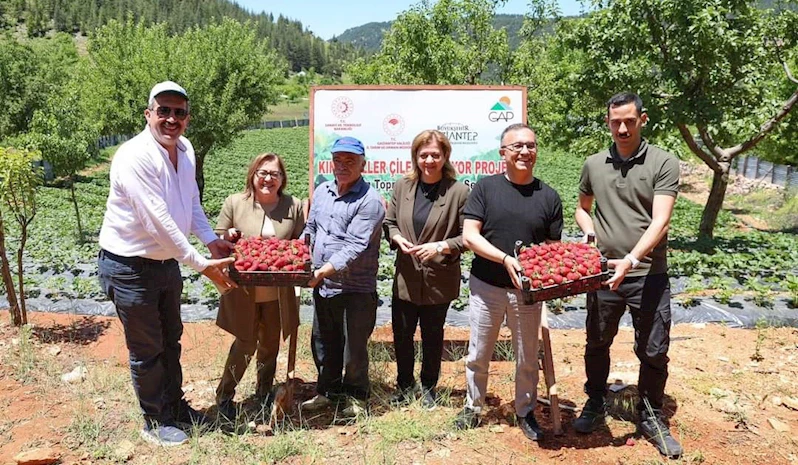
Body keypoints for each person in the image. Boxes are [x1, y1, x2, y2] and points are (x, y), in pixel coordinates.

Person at [97, 81, 237, 446]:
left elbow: (190, 202)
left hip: (164, 264)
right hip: (129, 267)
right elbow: (157, 220)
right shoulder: (134, 156)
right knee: (147, 348)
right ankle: (155, 421)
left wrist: (210, 239)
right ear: (149, 114)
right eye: (164, 111)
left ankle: (175, 407)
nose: (171, 118)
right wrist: (200, 263)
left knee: (171, 339)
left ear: (187, 119)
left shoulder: (185, 150)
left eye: (179, 112)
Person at [573, 92, 682, 458]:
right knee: (597, 340)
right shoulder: (593, 164)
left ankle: (650, 413)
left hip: (647, 273)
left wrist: (631, 260)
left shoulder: (663, 162)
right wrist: (589, 232)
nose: (622, 128)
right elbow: (583, 209)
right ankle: (595, 401)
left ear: (643, 120)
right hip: (602, 272)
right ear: (607, 122)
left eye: (629, 121)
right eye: (615, 121)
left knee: (653, 349)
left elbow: (661, 220)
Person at [455, 123, 563, 443]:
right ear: (503, 153)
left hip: (526, 292)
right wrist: (504, 259)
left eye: (530, 146)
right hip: (486, 285)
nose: (524, 152)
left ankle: (525, 410)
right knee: (479, 351)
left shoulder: (549, 197)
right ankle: (473, 406)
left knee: (528, 356)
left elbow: (551, 250)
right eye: (516, 146)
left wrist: (542, 271)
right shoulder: (486, 189)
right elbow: (470, 236)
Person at [213, 153, 305, 422]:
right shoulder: (235, 203)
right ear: (252, 175)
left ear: (282, 178)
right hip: (244, 290)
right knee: (244, 343)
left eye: (274, 174)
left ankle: (264, 392)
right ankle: (225, 395)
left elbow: (298, 244)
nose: (268, 179)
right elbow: (220, 236)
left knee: (270, 345)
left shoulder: (294, 206)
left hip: (278, 292)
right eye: (262, 173)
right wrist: (227, 235)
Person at [300, 136, 386, 417]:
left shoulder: (370, 201)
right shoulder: (322, 191)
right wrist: (297, 257)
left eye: (351, 160)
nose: (343, 165)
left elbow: (355, 246)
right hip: (324, 285)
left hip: (355, 288)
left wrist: (322, 270)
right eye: (338, 159)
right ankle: (327, 391)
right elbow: (310, 228)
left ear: (363, 164)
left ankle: (357, 396)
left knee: (354, 347)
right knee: (323, 341)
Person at [383, 130, 469, 409]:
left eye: (435, 155)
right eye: (424, 155)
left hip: (438, 278)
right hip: (406, 276)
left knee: (433, 336)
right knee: (402, 333)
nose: (429, 160)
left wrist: (441, 246)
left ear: (445, 157)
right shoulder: (402, 187)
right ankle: (404, 385)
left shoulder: (459, 192)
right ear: (415, 157)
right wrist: (397, 238)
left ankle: (429, 387)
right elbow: (390, 222)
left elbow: (467, 236)